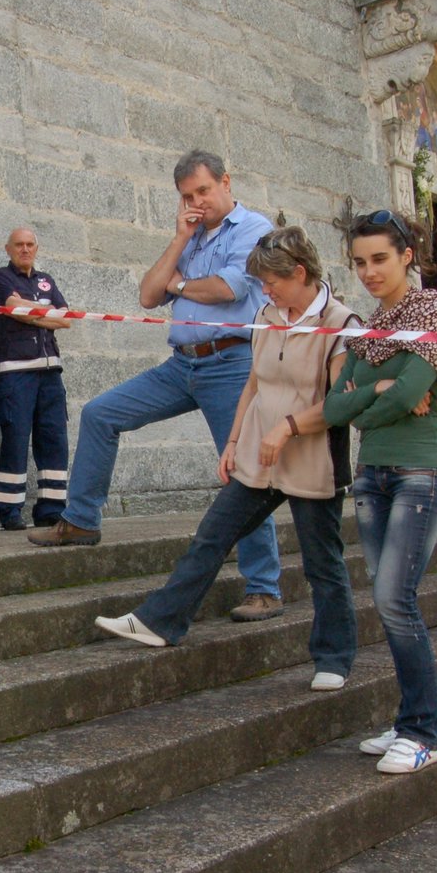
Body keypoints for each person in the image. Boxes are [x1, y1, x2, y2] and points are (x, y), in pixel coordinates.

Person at [94, 227, 360, 690]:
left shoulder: (341, 323)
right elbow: (254, 384)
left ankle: (333, 658)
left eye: (272, 280)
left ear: (300, 272)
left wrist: (289, 427)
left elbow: (340, 403)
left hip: (313, 459)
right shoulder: (266, 313)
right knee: (212, 536)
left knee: (323, 563)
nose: (266, 289)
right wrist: (235, 441)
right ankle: (161, 621)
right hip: (260, 455)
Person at [29, 149, 285, 624]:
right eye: (188, 196)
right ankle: (82, 520)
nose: (197, 201)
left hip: (231, 362)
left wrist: (181, 285)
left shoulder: (253, 229)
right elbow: (149, 294)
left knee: (245, 470)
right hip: (181, 364)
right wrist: (178, 240)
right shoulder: (190, 237)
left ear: (227, 182)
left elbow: (227, 288)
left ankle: (263, 587)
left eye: (204, 191)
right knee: (101, 413)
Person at [323, 209, 437, 776]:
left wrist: (376, 387)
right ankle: (413, 715)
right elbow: (335, 406)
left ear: (407, 255)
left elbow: (395, 396)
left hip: (421, 471)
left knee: (395, 599)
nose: (368, 271)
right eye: (360, 262)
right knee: (389, 604)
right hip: (372, 475)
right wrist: (380, 386)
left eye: (380, 259)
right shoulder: (365, 327)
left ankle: (426, 731)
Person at [0, 227, 71, 530]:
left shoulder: (46, 280)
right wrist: (43, 312)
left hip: (50, 374)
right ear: (8, 249)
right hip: (15, 373)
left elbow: (66, 318)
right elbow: (12, 307)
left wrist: (30, 311)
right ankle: (9, 511)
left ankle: (51, 509)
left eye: (30, 244)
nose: (25, 249)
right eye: (19, 245)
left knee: (54, 440)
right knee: (16, 441)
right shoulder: (0, 278)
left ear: (37, 248)